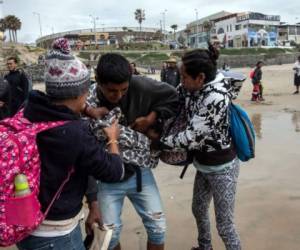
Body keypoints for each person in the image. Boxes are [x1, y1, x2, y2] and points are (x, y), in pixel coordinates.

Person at [16, 38, 125, 250]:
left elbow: (59, 105)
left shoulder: (27, 110)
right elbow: (115, 171)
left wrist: (86, 110)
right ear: (80, 92)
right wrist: (112, 138)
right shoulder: (75, 133)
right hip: (56, 233)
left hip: (26, 223)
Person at [85, 53, 179, 250]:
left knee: (158, 227)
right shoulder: (87, 102)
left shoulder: (141, 84)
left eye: (124, 90)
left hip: (139, 172)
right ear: (98, 79)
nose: (119, 96)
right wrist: (92, 200)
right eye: (112, 91)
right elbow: (85, 153)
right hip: (106, 178)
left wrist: (151, 118)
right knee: (109, 234)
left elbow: (174, 97)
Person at [160, 45, 242, 250]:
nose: (181, 81)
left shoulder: (216, 97)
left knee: (225, 225)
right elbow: (173, 99)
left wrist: (159, 142)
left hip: (222, 168)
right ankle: (205, 247)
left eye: (184, 77)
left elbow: (192, 137)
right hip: (203, 164)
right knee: (198, 209)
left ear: (200, 78)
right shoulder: (191, 88)